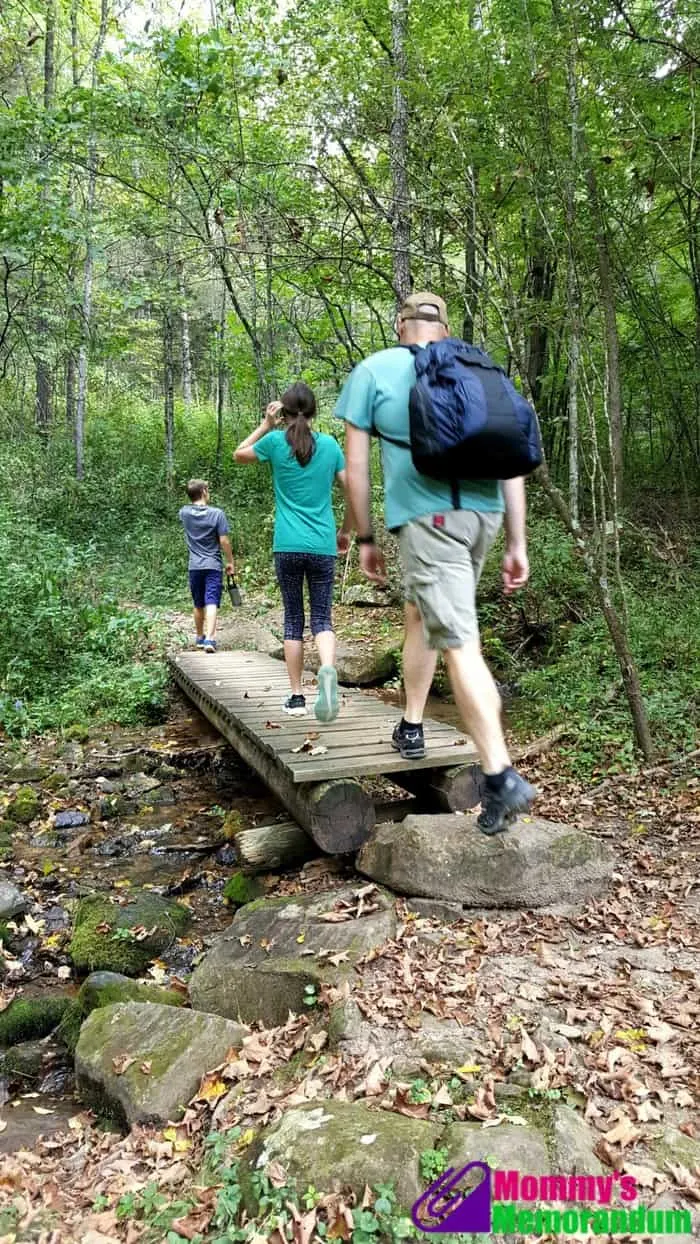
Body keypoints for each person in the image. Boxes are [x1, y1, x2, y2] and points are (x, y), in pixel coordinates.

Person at [337, 291, 536, 835]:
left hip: (429, 521)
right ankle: (413, 723)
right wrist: (517, 542)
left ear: (400, 323)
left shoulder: (374, 369)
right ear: (444, 330)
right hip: (484, 519)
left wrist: (367, 536)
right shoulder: (480, 367)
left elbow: (357, 468)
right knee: (424, 616)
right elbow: (512, 460)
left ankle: (500, 774)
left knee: (459, 643)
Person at [234, 382, 351, 722]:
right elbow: (352, 490)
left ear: (282, 412)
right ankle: (327, 669)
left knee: (293, 619)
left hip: (287, 544)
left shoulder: (273, 443)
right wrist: (345, 531)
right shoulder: (329, 446)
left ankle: (297, 696)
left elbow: (239, 453)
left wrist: (266, 425)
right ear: (314, 412)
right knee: (322, 617)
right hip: (322, 544)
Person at [178, 479, 234, 653]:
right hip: (213, 565)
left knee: (198, 603)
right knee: (211, 601)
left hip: (194, 566)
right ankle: (210, 639)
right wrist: (230, 561)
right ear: (203, 491)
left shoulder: (184, 513)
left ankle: (200, 637)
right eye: (207, 489)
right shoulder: (217, 514)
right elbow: (224, 540)